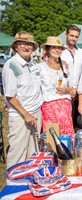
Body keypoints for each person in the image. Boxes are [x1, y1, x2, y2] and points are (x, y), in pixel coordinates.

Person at [2, 32, 43, 168]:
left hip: (36, 112)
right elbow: (10, 96)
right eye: (23, 44)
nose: (26, 47)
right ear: (16, 46)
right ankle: (13, 186)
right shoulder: (11, 66)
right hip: (21, 115)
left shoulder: (32, 63)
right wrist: (26, 114)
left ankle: (28, 183)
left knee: (33, 153)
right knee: (18, 154)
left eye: (30, 44)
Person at [39, 36, 74, 139]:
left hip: (65, 106)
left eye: (59, 48)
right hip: (50, 107)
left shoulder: (64, 66)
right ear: (48, 49)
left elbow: (70, 87)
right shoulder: (40, 67)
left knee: (67, 138)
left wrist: (68, 90)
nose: (57, 50)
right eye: (54, 47)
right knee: (52, 139)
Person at [60, 25, 82, 131]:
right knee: (65, 124)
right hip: (64, 93)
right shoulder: (60, 52)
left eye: (76, 36)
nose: (73, 38)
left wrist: (77, 89)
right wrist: (68, 88)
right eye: (71, 35)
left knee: (79, 126)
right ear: (66, 35)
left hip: (79, 94)